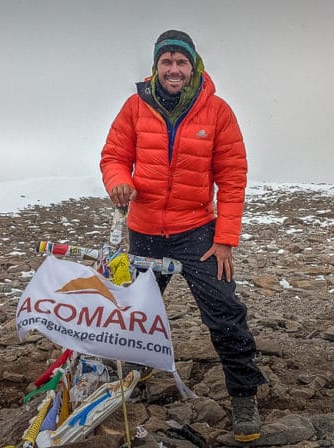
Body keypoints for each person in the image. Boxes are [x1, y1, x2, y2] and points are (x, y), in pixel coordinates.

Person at [100, 30, 267, 443]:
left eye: (181, 62)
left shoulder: (217, 112)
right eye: (166, 62)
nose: (174, 69)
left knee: (224, 310)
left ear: (194, 66)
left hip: (197, 232)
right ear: (156, 66)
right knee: (132, 307)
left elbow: (232, 178)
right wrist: (119, 181)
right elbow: (114, 156)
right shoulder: (135, 107)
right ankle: (123, 376)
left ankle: (244, 394)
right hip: (144, 230)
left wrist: (225, 237)